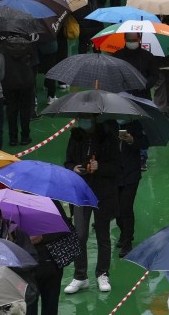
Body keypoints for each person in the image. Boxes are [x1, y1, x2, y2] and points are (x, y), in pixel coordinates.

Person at [64, 115, 120, 294]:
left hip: (102, 194)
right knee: (79, 234)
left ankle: (103, 273)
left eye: (87, 118)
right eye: (81, 118)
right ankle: (80, 276)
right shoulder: (75, 137)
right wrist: (73, 168)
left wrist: (100, 167)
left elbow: (117, 168)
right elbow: (67, 162)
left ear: (95, 119)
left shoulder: (109, 138)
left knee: (103, 235)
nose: (83, 121)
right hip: (81, 192)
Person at [115, 119, 149, 259]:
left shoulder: (135, 125)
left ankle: (127, 241)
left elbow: (144, 143)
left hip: (131, 174)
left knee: (126, 208)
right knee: (116, 209)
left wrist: (131, 140)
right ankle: (124, 234)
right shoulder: (109, 125)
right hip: (114, 174)